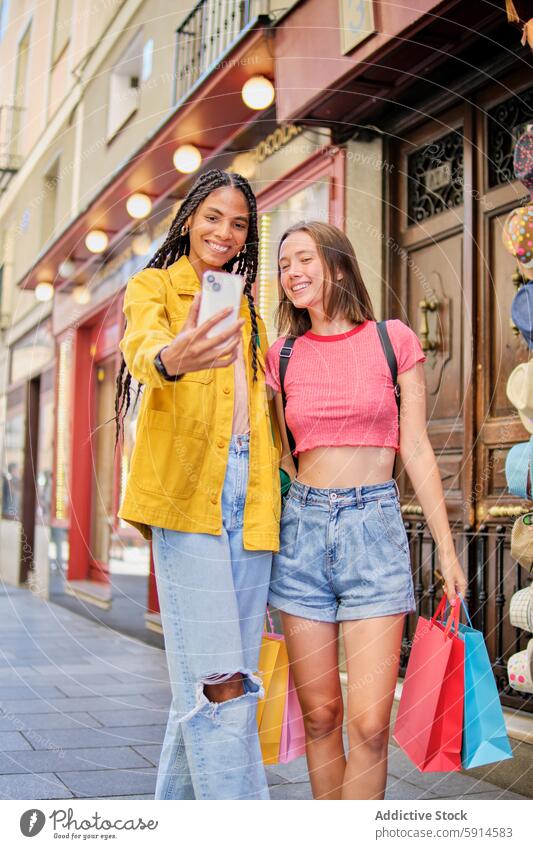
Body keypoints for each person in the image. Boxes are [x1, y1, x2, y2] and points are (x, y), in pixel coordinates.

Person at [264, 220, 467, 801]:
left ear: (339, 265)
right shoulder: (281, 355)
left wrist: (447, 552)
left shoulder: (392, 339)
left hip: (373, 529)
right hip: (300, 534)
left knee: (371, 726)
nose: (293, 273)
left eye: (304, 259)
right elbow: (277, 454)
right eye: (283, 265)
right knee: (322, 718)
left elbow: (418, 447)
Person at [115, 169, 282, 800]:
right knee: (222, 684)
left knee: (214, 684)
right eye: (213, 216)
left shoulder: (249, 313)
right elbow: (143, 346)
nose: (225, 231)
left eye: (238, 223)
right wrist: (171, 358)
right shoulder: (153, 286)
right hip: (187, 499)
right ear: (188, 218)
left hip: (252, 497)